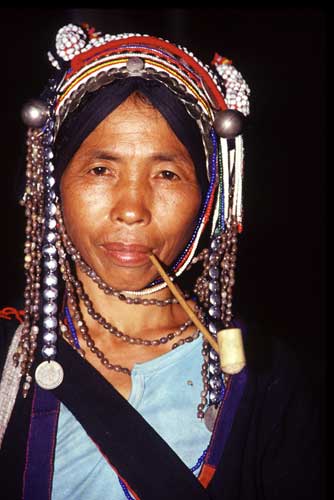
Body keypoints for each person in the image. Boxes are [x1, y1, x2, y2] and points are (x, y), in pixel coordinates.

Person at [0, 22, 322, 500]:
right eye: (101, 169)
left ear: (207, 199)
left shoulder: (265, 378)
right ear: (54, 188)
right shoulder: (8, 357)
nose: (132, 207)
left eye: (167, 173)